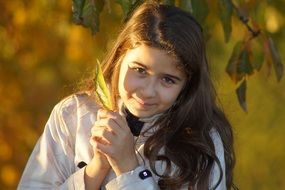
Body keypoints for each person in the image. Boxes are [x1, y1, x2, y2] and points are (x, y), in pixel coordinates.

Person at [18, 1, 236, 189]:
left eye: (168, 79)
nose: (148, 91)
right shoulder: (73, 115)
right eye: (140, 70)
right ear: (120, 57)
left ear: (187, 86)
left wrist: (127, 166)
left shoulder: (202, 140)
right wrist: (97, 168)